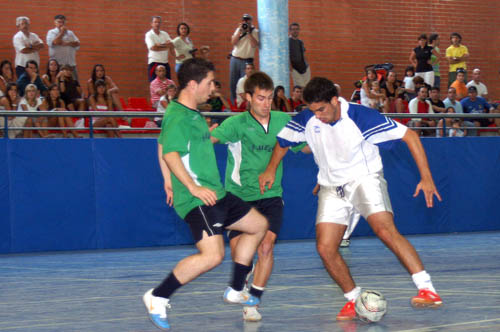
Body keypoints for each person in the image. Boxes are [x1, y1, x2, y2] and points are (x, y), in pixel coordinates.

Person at [259, 77, 443, 321]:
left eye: (322, 109)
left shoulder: (360, 117)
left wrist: (426, 177)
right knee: (325, 248)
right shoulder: (308, 118)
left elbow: (410, 136)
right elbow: (283, 143)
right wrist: (271, 169)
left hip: (364, 179)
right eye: (313, 111)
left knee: (385, 230)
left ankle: (427, 288)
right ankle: (353, 299)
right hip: (331, 187)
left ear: (335, 100)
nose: (318, 116)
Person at [143, 58, 268, 331]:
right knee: (212, 256)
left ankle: (236, 288)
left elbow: (162, 143)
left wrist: (167, 180)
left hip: (217, 194)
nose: (213, 88)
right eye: (209, 82)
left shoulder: (192, 114)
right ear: (192, 84)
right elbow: (171, 152)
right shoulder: (177, 115)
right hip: (199, 199)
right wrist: (191, 187)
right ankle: (158, 295)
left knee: (258, 225)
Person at [211, 71, 306, 322]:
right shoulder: (235, 124)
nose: (266, 104)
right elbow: (208, 140)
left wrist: (324, 138)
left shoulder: (283, 120)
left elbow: (303, 146)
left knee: (266, 245)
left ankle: (253, 300)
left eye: (270, 98)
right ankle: (244, 271)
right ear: (248, 98)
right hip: (238, 196)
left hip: (271, 194)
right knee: (239, 251)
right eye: (261, 98)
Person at [229, 14, 259, 104]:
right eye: (244, 20)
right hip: (235, 59)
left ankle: (245, 105)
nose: (246, 22)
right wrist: (240, 32)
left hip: (247, 60)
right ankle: (234, 105)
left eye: (248, 20)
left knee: (245, 83)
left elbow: (254, 44)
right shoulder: (239, 29)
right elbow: (233, 42)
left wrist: (248, 32)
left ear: (251, 21)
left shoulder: (255, 31)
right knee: (233, 83)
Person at [46, 14, 80, 81]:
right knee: (59, 84)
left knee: (74, 84)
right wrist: (62, 32)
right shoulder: (51, 32)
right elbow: (55, 42)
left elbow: (77, 43)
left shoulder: (70, 33)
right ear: (55, 22)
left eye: (63, 22)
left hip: (70, 64)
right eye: (59, 22)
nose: (61, 24)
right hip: (58, 65)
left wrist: (67, 43)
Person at [145, 16, 174, 82]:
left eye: (159, 22)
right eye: (155, 22)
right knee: (154, 85)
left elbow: (171, 45)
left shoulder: (165, 34)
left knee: (168, 85)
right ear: (151, 23)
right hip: (154, 62)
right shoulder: (149, 34)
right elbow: (153, 48)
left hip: (165, 62)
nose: (157, 24)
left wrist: (159, 45)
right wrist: (166, 46)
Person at [289, 23, 310, 88]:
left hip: (305, 68)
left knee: (307, 87)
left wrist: (307, 65)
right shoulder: (288, 41)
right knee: (299, 88)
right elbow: (287, 55)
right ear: (290, 30)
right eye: (293, 29)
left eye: (297, 29)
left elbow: (303, 54)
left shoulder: (300, 42)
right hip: (295, 68)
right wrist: (290, 66)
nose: (295, 31)